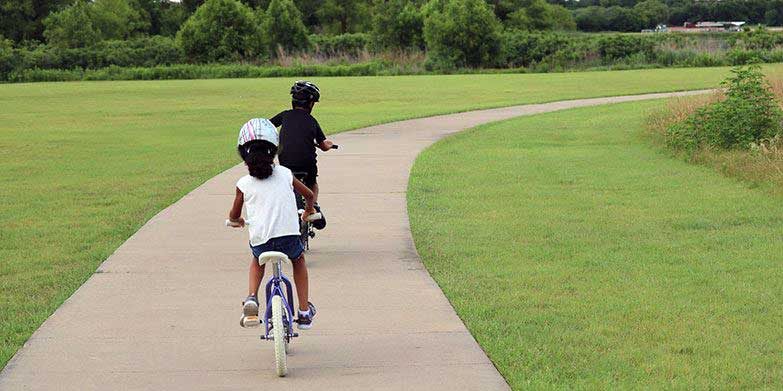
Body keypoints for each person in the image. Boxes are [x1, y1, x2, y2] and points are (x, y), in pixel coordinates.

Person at [228, 118, 317, 330]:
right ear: (274, 151)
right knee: (298, 260)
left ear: (244, 154)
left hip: (262, 242)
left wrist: (236, 221)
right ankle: (304, 311)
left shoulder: (243, 184)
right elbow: (309, 194)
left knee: (257, 259)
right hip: (289, 240)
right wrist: (308, 211)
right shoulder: (285, 174)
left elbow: (234, 214)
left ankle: (251, 298)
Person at [270, 81, 335, 229]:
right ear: (311, 104)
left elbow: (267, 125)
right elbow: (324, 146)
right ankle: (313, 207)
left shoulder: (285, 115)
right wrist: (329, 145)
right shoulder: (312, 121)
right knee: (312, 183)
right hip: (307, 163)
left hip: (286, 161)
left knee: (287, 182)